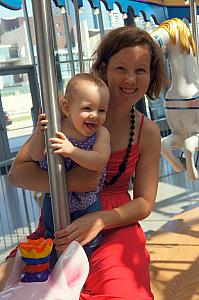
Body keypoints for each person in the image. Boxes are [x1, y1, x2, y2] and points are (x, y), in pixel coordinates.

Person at [1, 26, 167, 299]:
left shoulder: (146, 132)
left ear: (151, 75)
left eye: (141, 70)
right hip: (61, 220)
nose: (130, 79)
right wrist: (70, 183)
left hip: (113, 224)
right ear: (103, 68)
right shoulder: (60, 117)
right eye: (121, 68)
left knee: (122, 291)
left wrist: (101, 219)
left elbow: (144, 202)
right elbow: (17, 174)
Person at [29, 73, 110, 264]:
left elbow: (99, 160)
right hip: (54, 199)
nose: (95, 116)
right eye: (87, 108)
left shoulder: (101, 133)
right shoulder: (56, 127)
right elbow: (34, 155)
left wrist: (72, 151)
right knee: (54, 238)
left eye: (102, 110)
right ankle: (56, 272)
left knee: (88, 241)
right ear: (66, 107)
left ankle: (84, 271)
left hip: (86, 200)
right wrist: (39, 134)